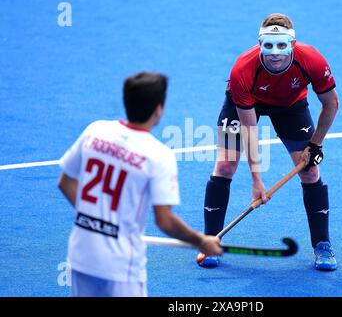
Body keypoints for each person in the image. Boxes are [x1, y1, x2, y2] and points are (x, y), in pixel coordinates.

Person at [58, 72, 222, 297]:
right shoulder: (158, 155)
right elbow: (165, 221)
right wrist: (201, 241)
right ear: (159, 109)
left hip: (81, 254)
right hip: (120, 265)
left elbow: (65, 183)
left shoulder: (95, 131)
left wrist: (96, 218)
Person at [197, 13, 339, 271]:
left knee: (310, 172)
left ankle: (322, 245)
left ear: (293, 44)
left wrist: (316, 144)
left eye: (282, 45)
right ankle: (210, 241)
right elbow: (250, 129)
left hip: (291, 105)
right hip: (244, 103)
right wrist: (256, 180)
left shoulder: (312, 60)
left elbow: (331, 103)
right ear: (260, 42)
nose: (275, 53)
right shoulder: (243, 69)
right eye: (268, 45)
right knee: (226, 165)